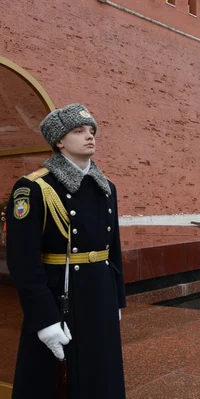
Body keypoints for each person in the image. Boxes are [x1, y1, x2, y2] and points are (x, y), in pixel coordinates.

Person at [6, 104, 126, 398]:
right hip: (60, 299)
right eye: (79, 131)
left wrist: (117, 300)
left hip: (100, 296)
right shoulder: (34, 188)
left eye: (92, 131)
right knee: (56, 383)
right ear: (59, 141)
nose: (90, 136)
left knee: (102, 376)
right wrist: (44, 319)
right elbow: (23, 262)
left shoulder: (106, 187)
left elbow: (114, 250)